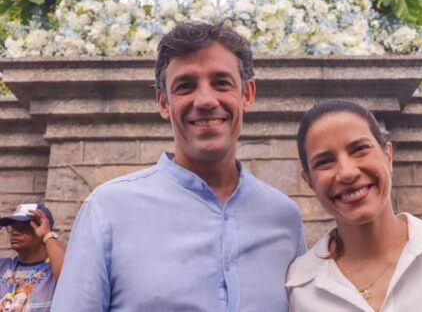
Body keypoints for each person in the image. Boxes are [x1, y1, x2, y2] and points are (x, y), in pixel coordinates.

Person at [51, 21, 306, 311]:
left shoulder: (283, 218)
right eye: (185, 86)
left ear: (247, 95)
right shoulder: (108, 211)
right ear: (163, 103)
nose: (206, 100)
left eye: (222, 82)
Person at [286, 100, 422, 311]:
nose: (347, 172)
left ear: (388, 157)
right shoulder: (298, 287)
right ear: (310, 182)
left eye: (359, 149)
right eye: (324, 162)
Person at [1, 204, 65, 311]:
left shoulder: (52, 270)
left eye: (25, 227)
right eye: (13, 227)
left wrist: (47, 235)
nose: (15, 232)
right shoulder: (3, 265)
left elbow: (69, 276)